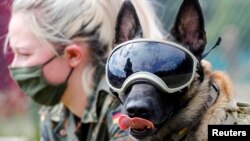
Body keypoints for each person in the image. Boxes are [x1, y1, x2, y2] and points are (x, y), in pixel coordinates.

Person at [5, 0, 163, 140]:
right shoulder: (54, 113)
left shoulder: (126, 104)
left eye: (25, 54)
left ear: (73, 55)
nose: (15, 65)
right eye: (14, 53)